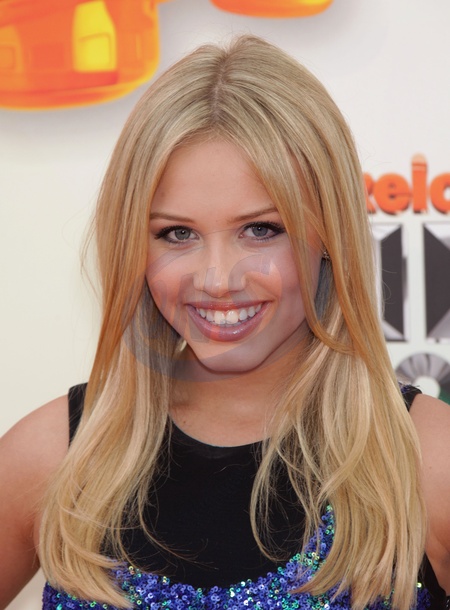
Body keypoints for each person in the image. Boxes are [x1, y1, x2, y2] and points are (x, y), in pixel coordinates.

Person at [1, 35, 449, 610]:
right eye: (176, 233)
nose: (216, 279)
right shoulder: (55, 456)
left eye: (260, 229)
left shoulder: (425, 461)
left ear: (330, 234)